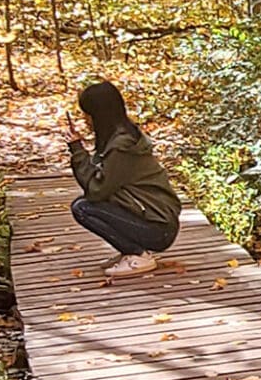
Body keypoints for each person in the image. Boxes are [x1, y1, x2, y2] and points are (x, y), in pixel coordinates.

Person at [67, 80, 182, 277]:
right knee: (83, 203)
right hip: (157, 221)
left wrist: (77, 151)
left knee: (83, 208)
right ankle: (129, 251)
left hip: (158, 228)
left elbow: (96, 190)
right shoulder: (122, 135)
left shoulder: (122, 146)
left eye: (88, 113)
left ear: (99, 114)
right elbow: (100, 178)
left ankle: (138, 254)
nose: (85, 118)